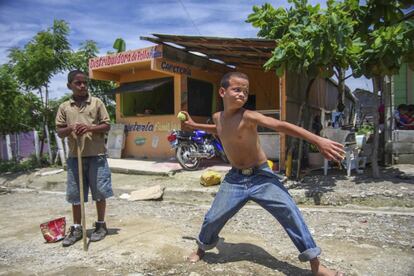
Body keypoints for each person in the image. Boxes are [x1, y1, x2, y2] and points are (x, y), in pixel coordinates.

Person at [182, 72, 345, 276]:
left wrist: (318, 140)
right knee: (213, 217)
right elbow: (219, 129)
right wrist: (194, 126)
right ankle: (201, 248)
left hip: (261, 177)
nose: (242, 94)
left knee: (290, 212)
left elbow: (281, 125)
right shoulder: (218, 117)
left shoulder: (249, 116)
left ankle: (316, 265)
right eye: (237, 89)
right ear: (223, 92)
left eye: (246, 91)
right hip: (235, 179)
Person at [55, 70, 113, 247]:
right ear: (69, 85)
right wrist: (71, 127)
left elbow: (106, 125)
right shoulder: (65, 107)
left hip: (97, 155)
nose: (82, 86)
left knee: (100, 192)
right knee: (75, 195)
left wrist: (88, 128)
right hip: (75, 157)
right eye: (77, 83)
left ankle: (101, 225)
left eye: (85, 83)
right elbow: (59, 131)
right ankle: (77, 228)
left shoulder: (96, 103)